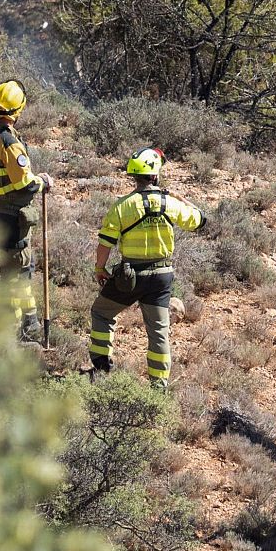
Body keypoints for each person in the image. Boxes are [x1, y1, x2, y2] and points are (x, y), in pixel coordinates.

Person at [88, 148, 206, 389]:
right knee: (159, 332)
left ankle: (101, 368)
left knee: (102, 312)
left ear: (135, 176)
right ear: (155, 175)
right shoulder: (170, 203)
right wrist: (183, 200)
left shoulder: (122, 206)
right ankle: (158, 386)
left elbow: (105, 244)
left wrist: (100, 268)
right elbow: (199, 220)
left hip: (129, 276)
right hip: (162, 278)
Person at [0, 79, 52, 343]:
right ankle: (15, 334)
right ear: (18, 109)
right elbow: (23, 182)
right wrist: (43, 182)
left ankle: (28, 320)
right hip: (13, 215)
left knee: (9, 269)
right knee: (19, 272)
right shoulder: (10, 142)